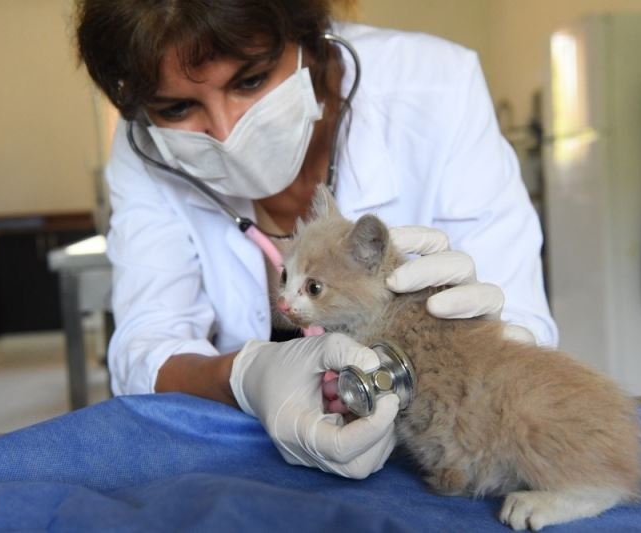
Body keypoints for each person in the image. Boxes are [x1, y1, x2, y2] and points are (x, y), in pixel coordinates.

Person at [75, 0, 558, 480]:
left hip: (433, 441)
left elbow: (521, 321)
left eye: (251, 80)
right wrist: (245, 377)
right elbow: (145, 347)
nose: (226, 132)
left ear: (306, 39)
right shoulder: (146, 145)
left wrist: (438, 357)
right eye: (177, 107)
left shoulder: (436, 86)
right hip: (252, 457)